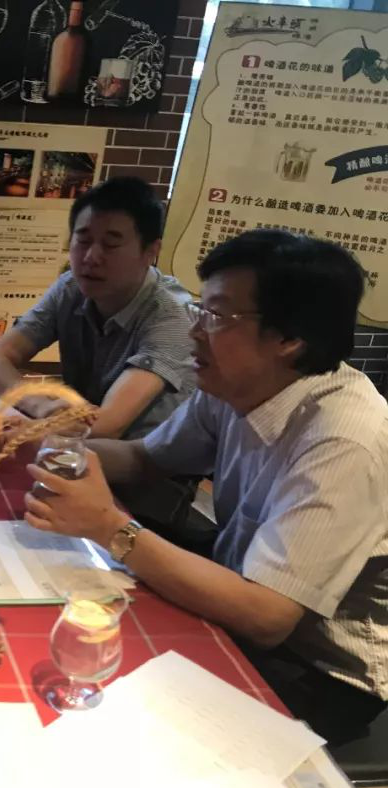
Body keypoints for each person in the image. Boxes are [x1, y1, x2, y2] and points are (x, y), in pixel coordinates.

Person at [22, 230, 387, 744]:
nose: (194, 331)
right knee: (64, 616)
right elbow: (146, 458)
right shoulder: (236, 381)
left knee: (107, 708)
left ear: (289, 339)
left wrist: (109, 526)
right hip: (235, 580)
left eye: (215, 316)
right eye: (200, 309)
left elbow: (269, 617)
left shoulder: (346, 440)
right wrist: (48, 444)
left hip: (315, 671)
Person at [0, 175, 196, 527]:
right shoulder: (71, 287)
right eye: (83, 240)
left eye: (111, 245)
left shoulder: (170, 318)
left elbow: (106, 424)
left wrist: (27, 429)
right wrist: (40, 405)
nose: (91, 257)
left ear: (151, 251)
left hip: (142, 496)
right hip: (66, 459)